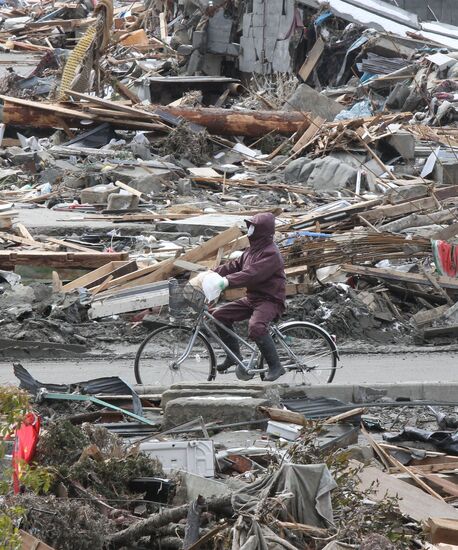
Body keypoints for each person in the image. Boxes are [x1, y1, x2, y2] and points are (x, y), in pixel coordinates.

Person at [211, 212, 286, 381]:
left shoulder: (271, 254)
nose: (250, 230)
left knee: (256, 327)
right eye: (249, 226)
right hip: (253, 298)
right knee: (219, 315)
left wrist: (225, 282)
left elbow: (251, 275)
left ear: (262, 230)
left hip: (270, 299)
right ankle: (233, 356)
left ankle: (276, 366)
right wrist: (211, 274)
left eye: (253, 227)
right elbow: (234, 265)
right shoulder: (251, 251)